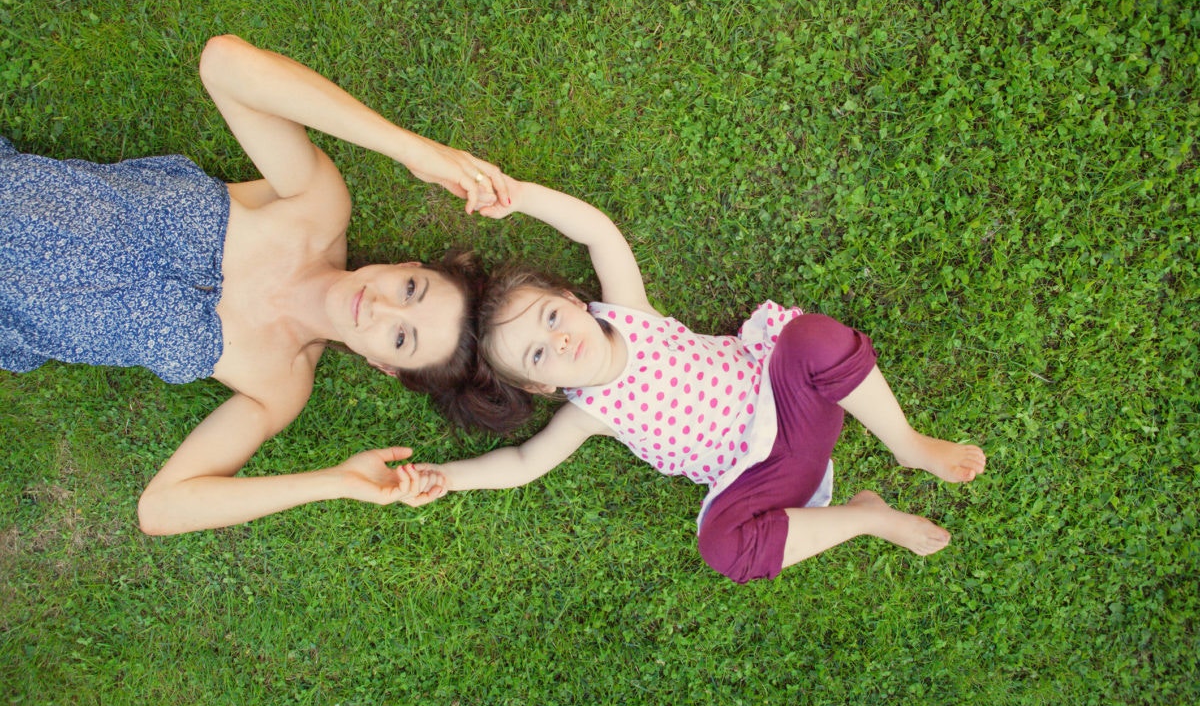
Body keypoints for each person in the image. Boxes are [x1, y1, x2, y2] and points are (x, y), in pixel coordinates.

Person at [1, 34, 511, 536]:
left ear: (384, 366)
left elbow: (162, 508)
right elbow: (226, 65)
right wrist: (411, 150)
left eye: (401, 338)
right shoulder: (318, 208)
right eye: (410, 291)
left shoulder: (281, 383)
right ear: (407, 263)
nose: (379, 307)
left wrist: (332, 482)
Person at [406, 178, 987, 584]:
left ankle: (907, 445)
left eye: (551, 318)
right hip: (765, 479)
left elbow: (598, 233)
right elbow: (520, 465)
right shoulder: (588, 415)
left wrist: (520, 196)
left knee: (810, 336)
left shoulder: (631, 313)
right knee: (721, 546)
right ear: (539, 388)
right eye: (538, 354)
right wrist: (444, 477)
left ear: (571, 299)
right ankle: (866, 517)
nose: (557, 340)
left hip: (791, 401)